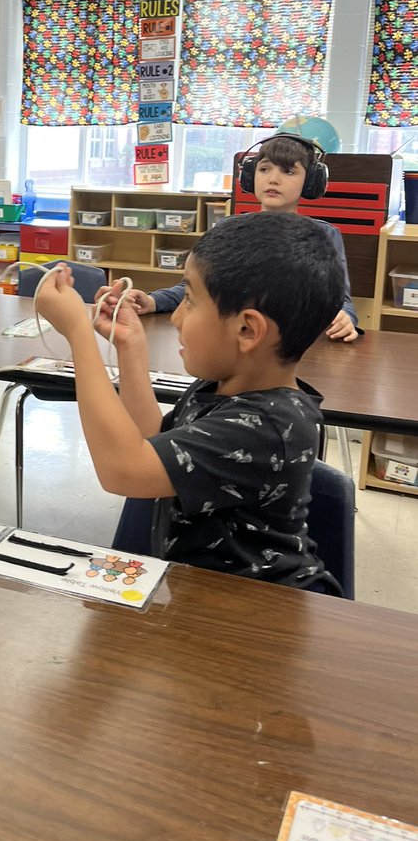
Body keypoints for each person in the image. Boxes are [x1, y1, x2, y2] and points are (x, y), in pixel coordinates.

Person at [35, 213, 345, 594]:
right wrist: (130, 348)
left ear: (247, 329)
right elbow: (151, 442)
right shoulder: (223, 385)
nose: (177, 317)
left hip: (261, 613)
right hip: (202, 595)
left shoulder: (268, 426)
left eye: (190, 301)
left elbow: (122, 470)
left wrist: (78, 333)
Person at [127, 134, 360, 342]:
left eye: (288, 171)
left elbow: (341, 301)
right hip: (235, 342)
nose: (273, 179)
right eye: (264, 169)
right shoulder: (228, 230)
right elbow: (195, 289)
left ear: (311, 182)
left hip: (293, 347)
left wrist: (345, 317)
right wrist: (153, 301)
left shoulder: (324, 236)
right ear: (250, 176)